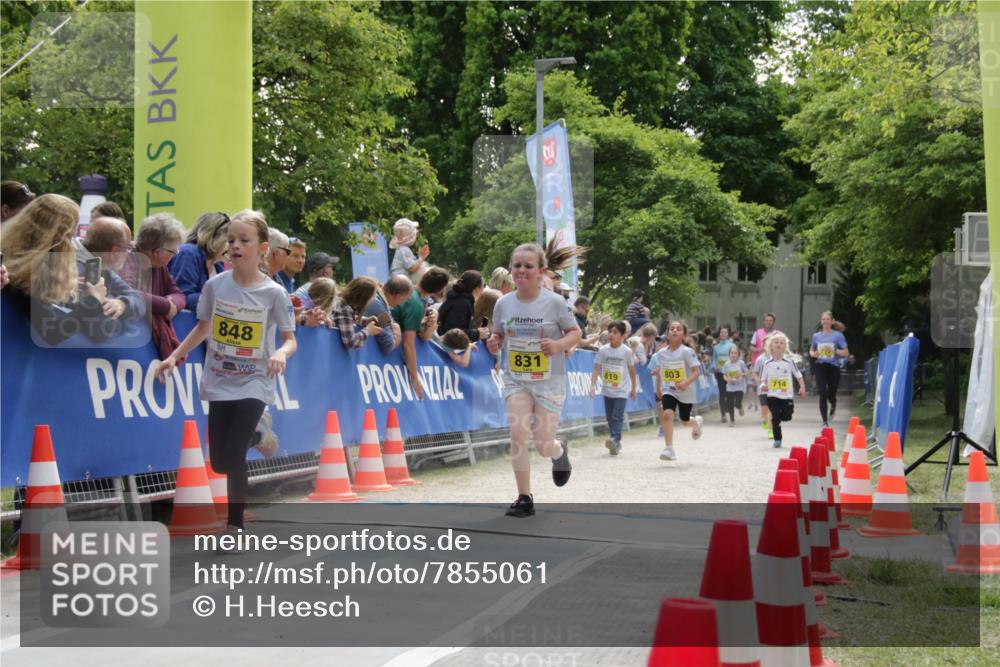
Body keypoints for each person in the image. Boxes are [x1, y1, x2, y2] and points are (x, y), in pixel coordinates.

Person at [156, 209, 296, 539]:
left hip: (255, 379)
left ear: (262, 248)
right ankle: (259, 436)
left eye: (243, 240)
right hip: (219, 377)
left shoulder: (273, 293)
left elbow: (291, 340)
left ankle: (234, 526)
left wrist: (279, 352)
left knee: (233, 455)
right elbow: (204, 327)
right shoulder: (215, 286)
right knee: (219, 461)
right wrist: (175, 355)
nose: (234, 246)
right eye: (231, 239)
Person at [486, 243, 581, 518]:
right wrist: (495, 342)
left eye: (528, 266)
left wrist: (558, 344)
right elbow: (498, 336)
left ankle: (558, 450)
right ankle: (524, 498)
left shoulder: (554, 302)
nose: (521, 271)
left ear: (541, 272)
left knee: (542, 444)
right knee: (517, 434)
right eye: (517, 265)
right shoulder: (503, 303)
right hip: (517, 379)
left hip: (550, 381)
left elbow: (574, 333)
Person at [0, 194, 112, 344]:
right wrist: (94, 300)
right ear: (60, 236)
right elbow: (51, 332)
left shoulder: (13, 253)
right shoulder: (31, 272)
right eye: (72, 233)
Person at [118, 213, 186, 360]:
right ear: (157, 252)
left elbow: (179, 295)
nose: (175, 255)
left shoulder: (160, 267)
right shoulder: (126, 259)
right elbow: (128, 293)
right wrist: (166, 305)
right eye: (173, 251)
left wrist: (172, 303)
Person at [71, 216, 147, 323]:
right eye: (128, 248)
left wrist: (123, 304)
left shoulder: (99, 263)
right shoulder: (76, 271)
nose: (129, 253)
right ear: (114, 252)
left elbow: (139, 298)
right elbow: (102, 329)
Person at [388, 269, 449, 399]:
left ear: (423, 277)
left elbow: (424, 336)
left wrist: (431, 322)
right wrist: (415, 378)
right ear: (439, 290)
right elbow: (408, 344)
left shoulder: (417, 299)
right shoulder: (415, 304)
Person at [650, 321, 703, 461]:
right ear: (667, 334)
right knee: (667, 414)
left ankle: (696, 423)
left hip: (686, 391)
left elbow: (696, 372)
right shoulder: (661, 354)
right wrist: (658, 387)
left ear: (684, 335)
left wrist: (685, 382)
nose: (674, 331)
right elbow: (662, 370)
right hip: (669, 390)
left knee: (685, 421)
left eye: (678, 329)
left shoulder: (687, 352)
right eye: (671, 329)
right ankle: (669, 449)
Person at [589, 321, 638, 456]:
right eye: (610, 331)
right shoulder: (603, 350)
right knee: (610, 418)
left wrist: (634, 388)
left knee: (617, 416)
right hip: (607, 389)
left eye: (615, 332)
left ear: (622, 336)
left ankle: (615, 439)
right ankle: (616, 442)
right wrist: (592, 385)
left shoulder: (627, 351)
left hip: (622, 390)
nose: (611, 334)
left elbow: (632, 370)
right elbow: (596, 369)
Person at [169, 211, 229, 311]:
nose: (233, 246)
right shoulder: (188, 253)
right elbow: (182, 298)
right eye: (228, 240)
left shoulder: (218, 264)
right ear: (212, 237)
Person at [759, 332, 807, 448]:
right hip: (772, 395)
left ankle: (777, 418)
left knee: (787, 416)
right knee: (775, 418)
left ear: (785, 346)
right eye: (776, 342)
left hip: (786, 395)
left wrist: (802, 387)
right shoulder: (767, 363)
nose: (779, 344)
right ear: (771, 346)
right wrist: (763, 386)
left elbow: (798, 375)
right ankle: (777, 439)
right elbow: (763, 380)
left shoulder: (789, 362)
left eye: (781, 343)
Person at [810, 310, 850, 427]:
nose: (825, 321)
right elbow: (812, 350)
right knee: (822, 393)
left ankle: (833, 402)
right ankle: (824, 421)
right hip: (820, 366)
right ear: (821, 321)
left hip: (833, 367)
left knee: (831, 392)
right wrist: (813, 354)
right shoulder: (816, 336)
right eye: (823, 319)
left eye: (828, 319)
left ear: (832, 321)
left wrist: (835, 350)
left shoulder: (838, 336)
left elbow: (846, 352)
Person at [330, 276, 384, 349]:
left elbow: (345, 320)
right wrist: (368, 331)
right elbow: (350, 342)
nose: (374, 299)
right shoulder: (345, 309)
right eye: (373, 295)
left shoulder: (344, 305)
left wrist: (365, 321)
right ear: (363, 297)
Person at [437, 270, 489, 343]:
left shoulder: (459, 298)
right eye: (484, 285)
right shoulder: (462, 303)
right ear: (476, 288)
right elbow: (454, 331)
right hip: (447, 348)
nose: (484, 289)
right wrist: (477, 333)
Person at [711, 325, 736, 424]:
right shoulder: (716, 347)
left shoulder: (732, 345)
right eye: (721, 332)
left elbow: (736, 357)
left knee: (730, 393)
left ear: (728, 334)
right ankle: (723, 415)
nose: (723, 334)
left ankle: (730, 411)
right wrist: (714, 366)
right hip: (720, 372)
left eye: (725, 332)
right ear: (719, 334)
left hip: (730, 373)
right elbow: (714, 359)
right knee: (722, 393)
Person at [721, 346, 749, 427]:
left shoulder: (741, 363)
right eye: (732, 353)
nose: (733, 355)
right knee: (730, 404)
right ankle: (732, 420)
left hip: (740, 386)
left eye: (735, 353)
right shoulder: (726, 364)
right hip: (730, 387)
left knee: (737, 403)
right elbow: (724, 375)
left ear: (738, 355)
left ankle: (739, 407)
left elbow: (747, 373)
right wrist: (726, 379)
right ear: (729, 354)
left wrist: (741, 374)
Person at [752, 337, 773, 437]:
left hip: (774, 389)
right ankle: (765, 420)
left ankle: (771, 430)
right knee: (765, 411)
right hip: (763, 389)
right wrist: (758, 380)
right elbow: (755, 373)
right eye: (766, 344)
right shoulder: (760, 359)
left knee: (772, 410)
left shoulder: (777, 358)